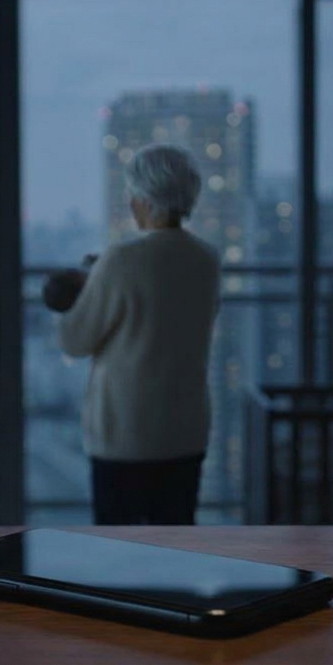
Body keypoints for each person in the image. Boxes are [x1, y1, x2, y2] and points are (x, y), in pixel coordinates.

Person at [56, 143, 221, 525]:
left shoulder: (119, 260)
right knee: (178, 544)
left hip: (124, 435)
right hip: (185, 430)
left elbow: (75, 340)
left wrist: (86, 287)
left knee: (117, 559)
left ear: (145, 200)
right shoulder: (206, 260)